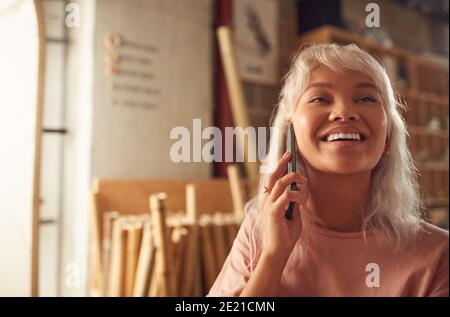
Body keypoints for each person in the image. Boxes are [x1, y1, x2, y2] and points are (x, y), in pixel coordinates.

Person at [207, 43, 449, 297]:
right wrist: (274, 255)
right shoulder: (260, 232)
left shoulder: (438, 254)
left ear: (388, 137)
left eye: (366, 98)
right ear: (291, 133)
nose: (344, 112)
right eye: (320, 98)